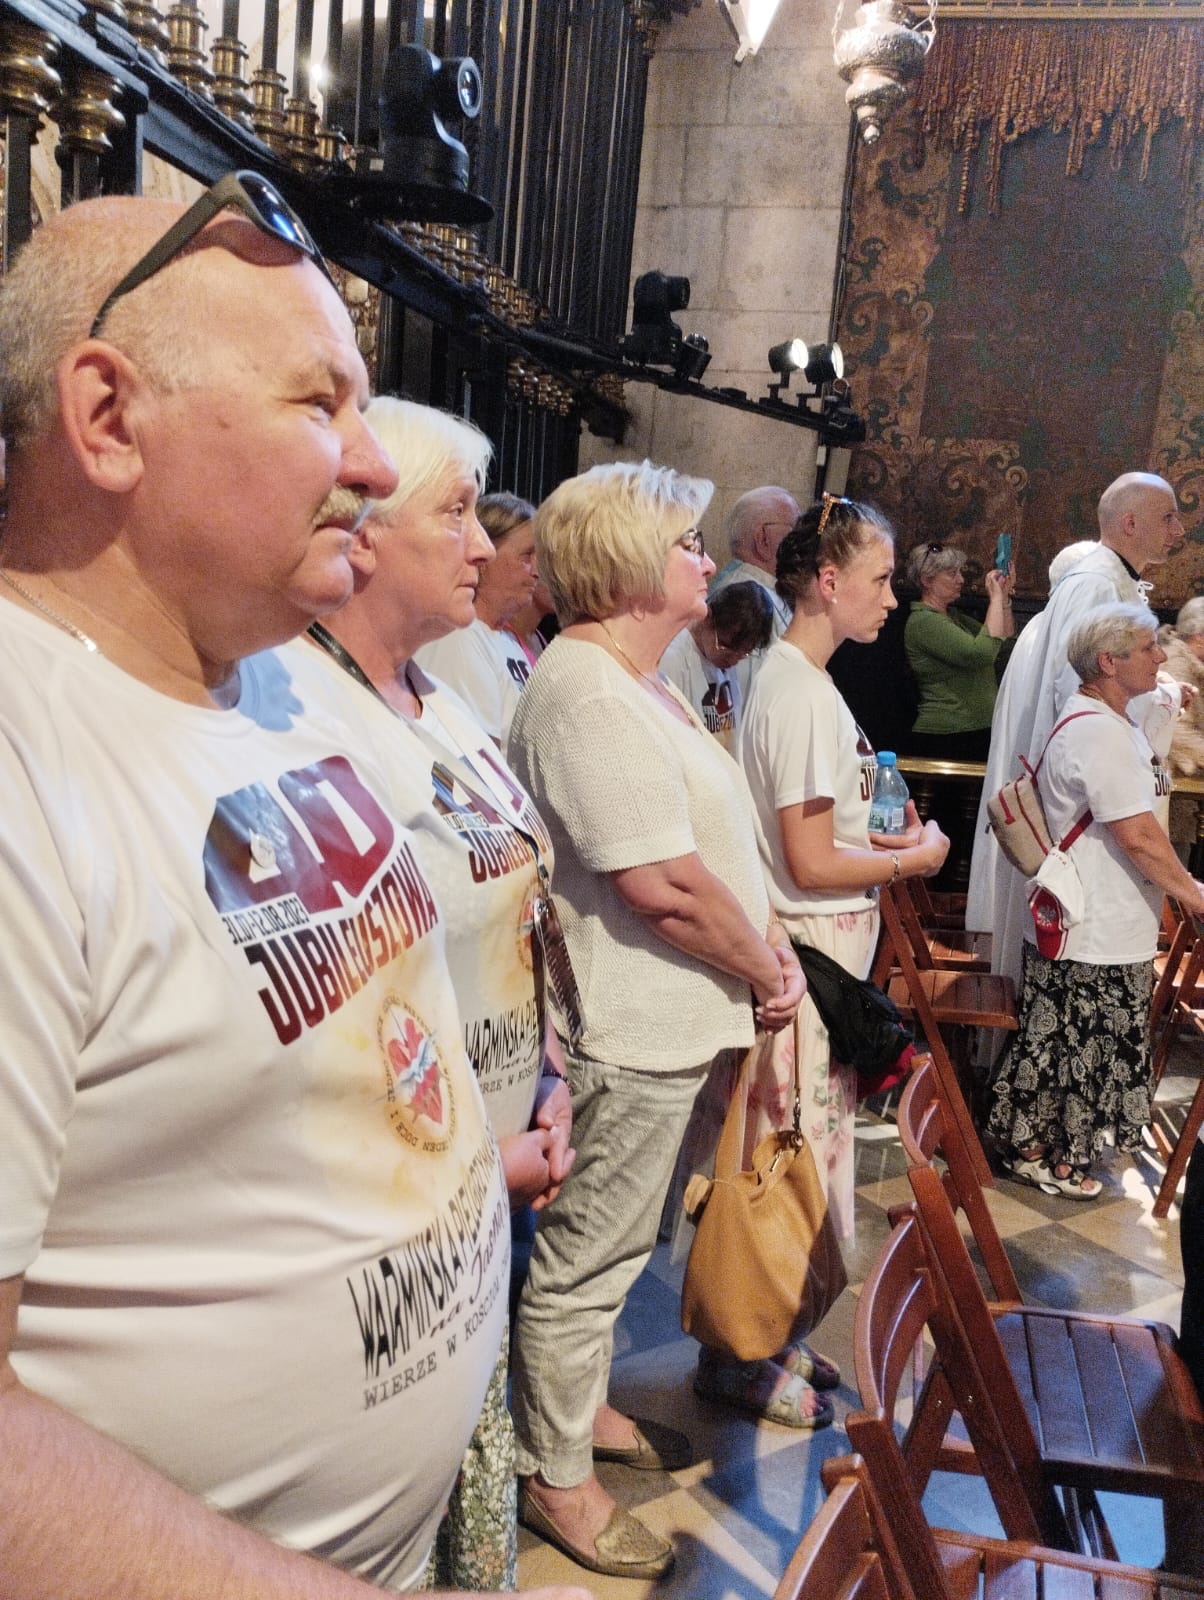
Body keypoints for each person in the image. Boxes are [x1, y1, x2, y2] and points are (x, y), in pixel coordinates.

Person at [0, 182, 587, 1600]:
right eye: (322, 403)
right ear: (109, 419)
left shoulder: (280, 684)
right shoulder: (24, 761)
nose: (373, 464)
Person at [506, 460, 805, 1581]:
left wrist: (763, 946)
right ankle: (553, 1477)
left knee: (622, 1245)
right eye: (685, 541)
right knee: (588, 1260)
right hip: (625, 1026)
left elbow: (703, 851)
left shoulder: (634, 679)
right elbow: (662, 886)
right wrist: (765, 968)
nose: (706, 559)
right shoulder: (587, 689)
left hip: (670, 1019)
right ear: (629, 563)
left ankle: (582, 1414)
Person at [296, 399, 575, 1590]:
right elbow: (343, 1014)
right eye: (455, 515)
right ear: (363, 534)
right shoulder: (312, 720)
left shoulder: (439, 698)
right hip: (416, 1194)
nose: (483, 547)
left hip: (499, 1147)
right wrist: (477, 1159)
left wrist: (549, 1074)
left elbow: (517, 903)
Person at [695, 494, 948, 1424]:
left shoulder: (799, 679)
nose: (893, 598)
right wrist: (913, 859)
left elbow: (821, 829)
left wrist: (883, 836)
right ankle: (738, 1352)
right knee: (781, 1159)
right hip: (809, 959)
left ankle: (775, 1330)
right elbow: (806, 861)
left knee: (805, 1153)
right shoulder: (799, 691)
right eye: (881, 579)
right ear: (829, 581)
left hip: (821, 956)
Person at [984, 603, 1204, 1198]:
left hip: (1101, 917)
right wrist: (1193, 893)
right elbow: (1138, 836)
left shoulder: (1106, 717)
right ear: (1108, 662)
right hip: (1092, 922)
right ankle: (1044, 1154)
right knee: (1072, 1045)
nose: (1160, 656)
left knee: (1075, 1042)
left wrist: (1168, 695)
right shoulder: (1098, 732)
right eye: (1147, 648)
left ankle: (1054, 1148)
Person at [967, 472, 1187, 982]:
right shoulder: (1097, 584)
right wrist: (1165, 698)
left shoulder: (1109, 579)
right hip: (1084, 807)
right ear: (1130, 523)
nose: (1179, 531)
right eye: (1169, 518)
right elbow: (1085, 693)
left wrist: (1159, 689)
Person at [416, 489, 538, 743]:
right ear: (485, 557)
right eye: (526, 556)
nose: (537, 571)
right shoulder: (460, 639)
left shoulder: (505, 639)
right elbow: (479, 754)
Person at [903, 541, 1014, 761]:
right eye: (952, 573)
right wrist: (994, 598)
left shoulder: (953, 617)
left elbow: (1005, 641)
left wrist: (1003, 598)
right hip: (948, 735)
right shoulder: (923, 621)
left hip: (971, 731)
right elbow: (982, 654)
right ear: (927, 580)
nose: (961, 580)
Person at [659, 579, 775, 750]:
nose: (733, 661)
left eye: (744, 653)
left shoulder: (726, 657)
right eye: (726, 646)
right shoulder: (673, 659)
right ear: (708, 617)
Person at [709, 484, 800, 696]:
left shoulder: (762, 586)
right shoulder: (743, 598)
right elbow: (741, 691)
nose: (800, 543)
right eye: (794, 530)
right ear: (763, 539)